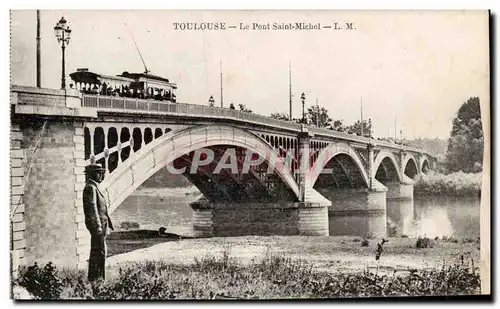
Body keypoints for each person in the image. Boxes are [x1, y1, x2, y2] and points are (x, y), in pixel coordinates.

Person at [83, 163, 114, 282]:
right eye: (98, 173)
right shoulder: (90, 187)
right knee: (98, 252)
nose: (101, 175)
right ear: (92, 174)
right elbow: (92, 209)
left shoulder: (94, 187)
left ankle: (97, 278)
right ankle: (97, 278)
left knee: (99, 252)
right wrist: (98, 227)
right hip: (98, 227)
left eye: (101, 173)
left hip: (101, 226)